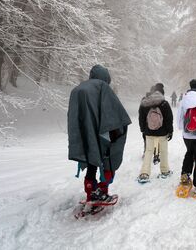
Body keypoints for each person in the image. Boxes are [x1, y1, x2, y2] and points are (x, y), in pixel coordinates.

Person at [68, 65, 131, 203]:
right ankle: (102, 190)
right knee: (107, 159)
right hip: (101, 132)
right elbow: (114, 112)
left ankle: (90, 190)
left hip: (83, 133)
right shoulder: (103, 87)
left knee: (91, 158)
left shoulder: (77, 89)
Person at [138, 83, 173, 182]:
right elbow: (169, 119)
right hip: (163, 132)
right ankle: (165, 171)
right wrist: (170, 131)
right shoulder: (164, 103)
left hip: (149, 132)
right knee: (163, 151)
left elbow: (141, 117)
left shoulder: (145, 102)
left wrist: (143, 129)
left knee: (148, 151)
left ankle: (144, 173)